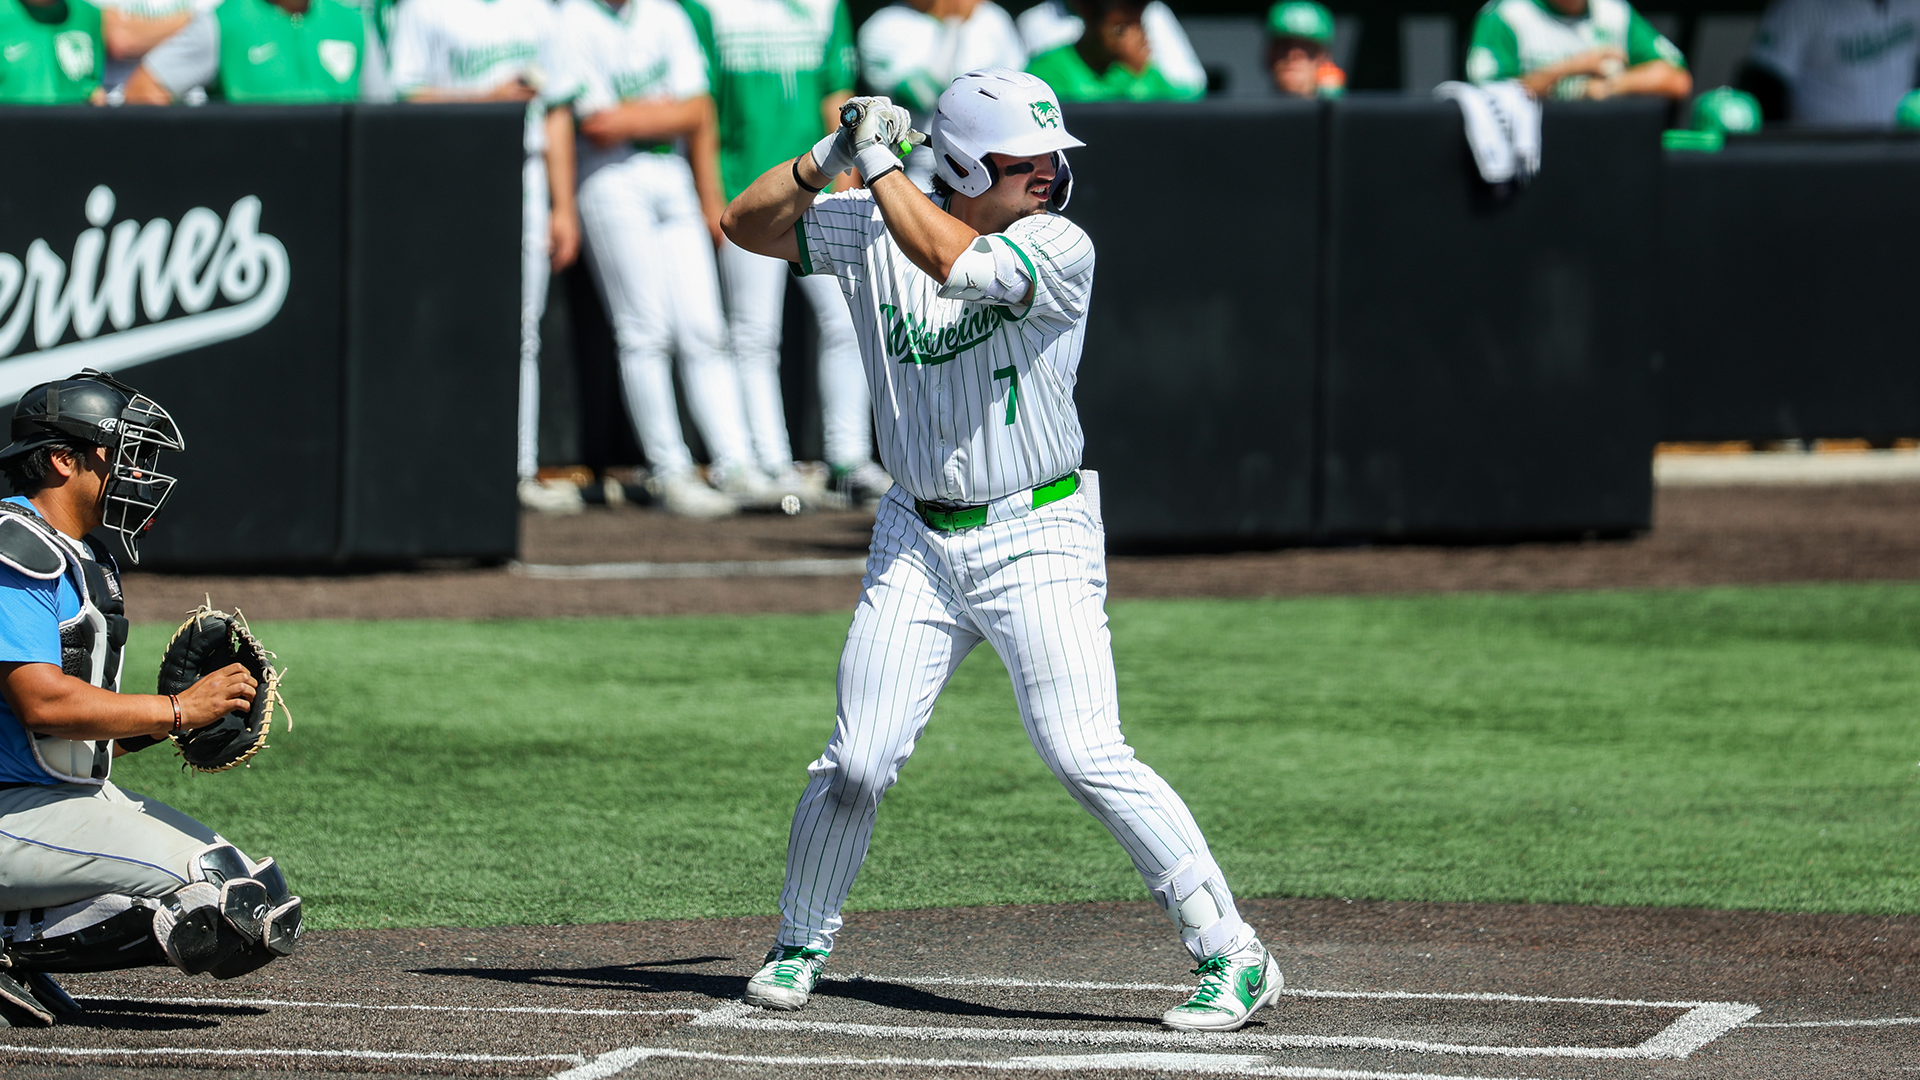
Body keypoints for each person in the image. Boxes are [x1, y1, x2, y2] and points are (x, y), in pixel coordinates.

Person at [720, 69, 1283, 1033]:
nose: (1050, 178)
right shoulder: (871, 227)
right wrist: (829, 157)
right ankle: (801, 937)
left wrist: (879, 160)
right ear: (971, 162)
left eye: (1055, 162)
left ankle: (1232, 952)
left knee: (1086, 751)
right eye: (1028, 163)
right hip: (914, 532)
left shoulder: (1060, 242)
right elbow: (745, 224)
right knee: (858, 758)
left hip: (1038, 530)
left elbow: (960, 267)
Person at [0, 371, 302, 1026]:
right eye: (121, 451)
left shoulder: (84, 557)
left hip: (48, 805)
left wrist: (176, 724)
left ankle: (20, 949)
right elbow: (42, 705)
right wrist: (174, 709)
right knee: (218, 897)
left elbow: (71, 742)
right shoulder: (14, 548)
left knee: (260, 901)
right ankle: (9, 946)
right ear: (61, 458)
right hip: (9, 812)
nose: (133, 470)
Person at [557, 0, 764, 518]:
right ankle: (668, 468)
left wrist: (706, 192)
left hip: (672, 175)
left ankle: (734, 462)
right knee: (644, 329)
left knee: (703, 327)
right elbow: (598, 124)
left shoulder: (665, 15)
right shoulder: (572, 22)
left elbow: (697, 110)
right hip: (609, 177)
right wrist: (663, 113)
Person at [684, 0, 890, 509]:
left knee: (847, 320)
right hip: (749, 190)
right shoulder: (705, 8)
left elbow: (835, 98)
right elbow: (702, 108)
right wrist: (712, 196)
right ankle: (772, 463)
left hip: (819, 185)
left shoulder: (826, 7)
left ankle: (847, 460)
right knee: (754, 333)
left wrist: (850, 174)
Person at [387, 0, 587, 515]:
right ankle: (443, 465)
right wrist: (485, 100)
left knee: (524, 330)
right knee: (449, 326)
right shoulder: (422, 10)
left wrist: (563, 205)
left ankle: (517, 470)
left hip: (525, 174)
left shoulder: (539, 11)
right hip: (449, 176)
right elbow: (404, 99)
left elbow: (558, 109)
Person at [858, 0, 1026, 191]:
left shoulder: (994, 18)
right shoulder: (883, 26)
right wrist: (953, 26)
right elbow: (924, 95)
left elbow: (1017, 92)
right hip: (921, 175)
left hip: (992, 169)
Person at [121, 0, 363, 104]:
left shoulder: (353, 23)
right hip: (254, 188)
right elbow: (142, 90)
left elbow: (381, 113)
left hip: (337, 189)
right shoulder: (225, 21)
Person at [1737, 0, 1920, 127]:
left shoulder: (1912, 4)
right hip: (1825, 156)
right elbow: (1762, 81)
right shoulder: (1802, 6)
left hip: (1895, 152)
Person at [1465, 0, 1691, 102]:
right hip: (1529, 156)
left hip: (1603, 149)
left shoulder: (1614, 11)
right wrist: (1567, 69)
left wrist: (1612, 86)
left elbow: (1677, 79)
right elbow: (1487, 98)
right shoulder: (1506, 15)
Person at [1014, 0, 1204, 96]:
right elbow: (1094, 126)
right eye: (1121, 27)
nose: (1132, 37)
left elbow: (1186, 103)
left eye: (1139, 26)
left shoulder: (1144, 70)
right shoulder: (1046, 72)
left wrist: (1140, 72)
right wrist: (1128, 74)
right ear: (1087, 13)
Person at [0, 0, 105, 104]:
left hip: (73, 118)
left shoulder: (90, 15)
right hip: (14, 119)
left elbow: (92, 84)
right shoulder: (4, 12)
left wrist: (95, 95)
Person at [1266, 0, 1344, 98]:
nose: (1293, 54)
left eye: (1306, 47)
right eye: (1284, 45)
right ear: (1269, 54)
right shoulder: (1247, 111)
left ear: (1325, 58)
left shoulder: (1349, 111)